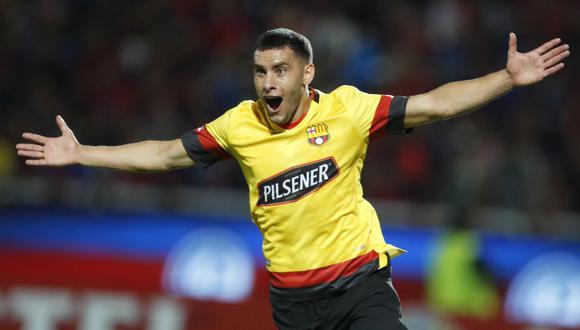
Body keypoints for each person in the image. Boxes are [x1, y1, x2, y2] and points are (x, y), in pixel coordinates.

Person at [16, 28, 569, 330]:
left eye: (279, 70)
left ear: (307, 74)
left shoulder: (350, 111)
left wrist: (506, 78)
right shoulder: (239, 124)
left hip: (359, 285)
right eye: (260, 71)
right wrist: (83, 152)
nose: (267, 83)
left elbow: (434, 106)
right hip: (294, 305)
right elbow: (165, 154)